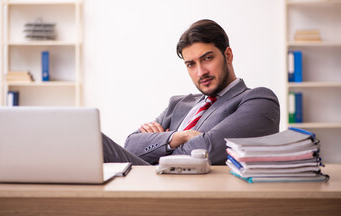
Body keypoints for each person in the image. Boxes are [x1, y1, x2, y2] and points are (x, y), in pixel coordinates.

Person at [102, 19, 280, 165]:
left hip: (201, 193)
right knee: (96, 142)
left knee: (97, 144)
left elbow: (207, 149)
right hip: (152, 181)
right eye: (191, 64)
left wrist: (159, 145)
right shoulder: (179, 104)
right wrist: (178, 137)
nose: (201, 72)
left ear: (228, 55)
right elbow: (131, 146)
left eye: (208, 58)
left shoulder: (258, 100)